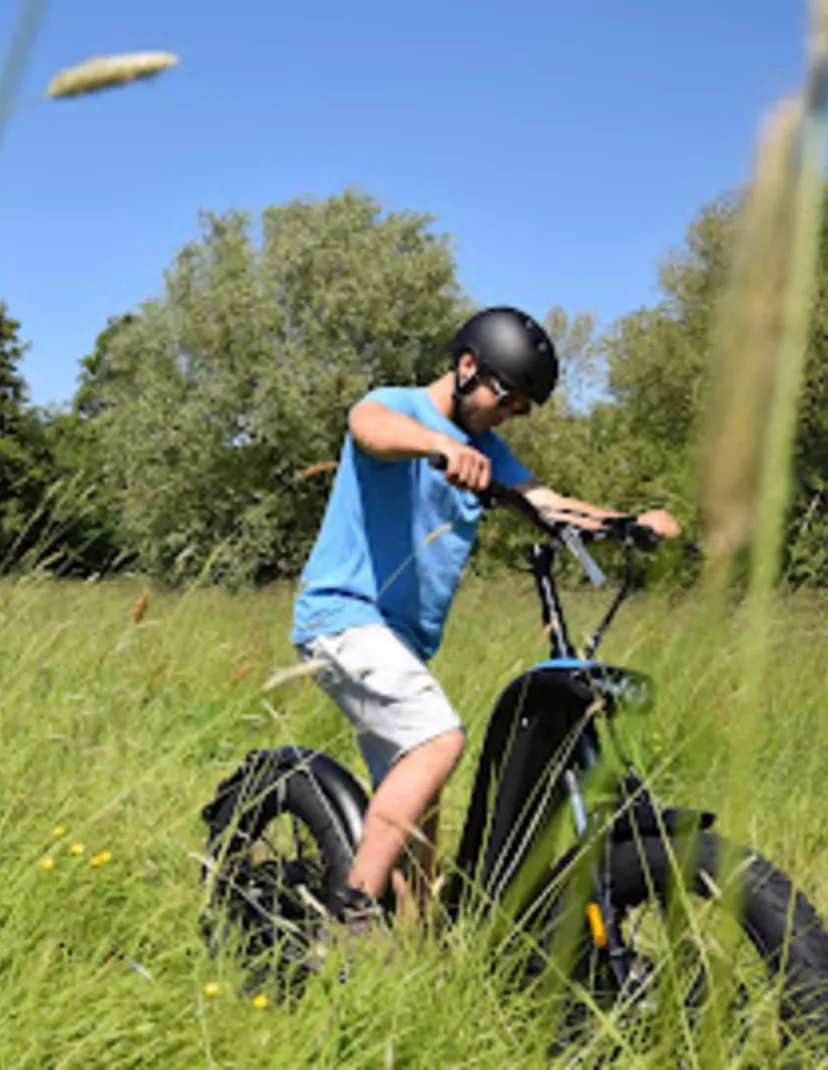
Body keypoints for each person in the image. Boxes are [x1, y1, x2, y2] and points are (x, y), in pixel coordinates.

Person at [290, 306, 681, 930]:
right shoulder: (397, 406)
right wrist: (438, 444)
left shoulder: (489, 450)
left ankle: (415, 959)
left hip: (401, 644)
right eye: (507, 398)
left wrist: (626, 524)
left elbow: (546, 504)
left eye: (523, 408)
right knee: (439, 739)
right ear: (467, 367)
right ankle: (352, 914)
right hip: (344, 617)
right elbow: (368, 429)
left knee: (421, 821)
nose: (510, 415)